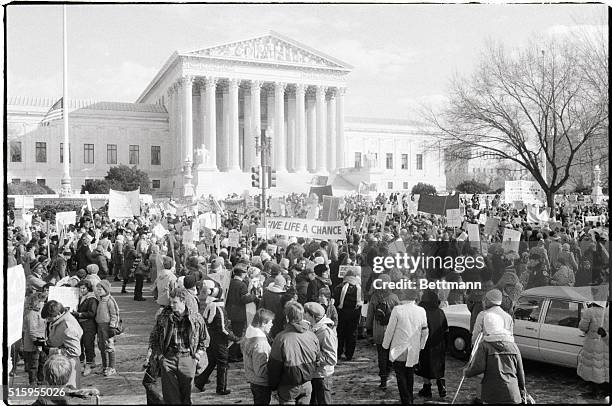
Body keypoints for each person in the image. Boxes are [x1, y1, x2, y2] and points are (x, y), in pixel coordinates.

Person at [150, 287, 207, 404]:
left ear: (183, 301)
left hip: (187, 358)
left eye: (175, 302)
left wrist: (197, 355)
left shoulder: (196, 318)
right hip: (168, 359)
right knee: (171, 398)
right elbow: (154, 338)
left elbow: (204, 339)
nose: (171, 305)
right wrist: (160, 357)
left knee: (188, 396)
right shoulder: (164, 317)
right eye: (170, 302)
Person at [464, 312, 526, 404]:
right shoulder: (513, 346)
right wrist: (522, 389)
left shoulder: (484, 346)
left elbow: (478, 368)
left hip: (492, 394)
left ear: (487, 327)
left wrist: (466, 372)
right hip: (512, 394)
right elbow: (520, 372)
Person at [382, 287, 429, 405]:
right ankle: (409, 399)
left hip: (399, 348)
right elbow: (425, 331)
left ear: (404, 296)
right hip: (413, 348)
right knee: (409, 374)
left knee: (400, 375)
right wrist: (421, 346)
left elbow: (390, 330)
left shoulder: (398, 310)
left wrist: (385, 346)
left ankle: (406, 399)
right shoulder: (421, 310)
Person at [268, 301, 320, 405]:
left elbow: (274, 367)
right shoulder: (312, 336)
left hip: (287, 388)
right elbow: (317, 361)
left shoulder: (281, 338)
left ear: (287, 318)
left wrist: (273, 387)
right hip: (307, 384)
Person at [194, 280, 239, 395]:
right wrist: (234, 338)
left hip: (210, 339)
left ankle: (199, 382)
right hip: (219, 341)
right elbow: (223, 328)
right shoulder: (218, 308)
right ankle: (221, 388)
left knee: (213, 362)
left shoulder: (210, 306)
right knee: (223, 363)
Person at [366, 274, 400, 389]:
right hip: (392, 330)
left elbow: (370, 314)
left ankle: (383, 379)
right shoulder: (394, 297)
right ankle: (389, 372)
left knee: (381, 354)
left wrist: (368, 328)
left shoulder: (374, 297)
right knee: (390, 354)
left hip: (378, 330)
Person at [41, 300, 83, 388]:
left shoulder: (68, 326)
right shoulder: (59, 319)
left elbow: (75, 351)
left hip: (67, 365)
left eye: (49, 317)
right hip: (60, 363)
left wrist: (51, 351)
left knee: (67, 395)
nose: (47, 320)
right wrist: (46, 343)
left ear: (59, 313)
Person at [415, 289, 448, 399]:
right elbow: (445, 329)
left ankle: (427, 388)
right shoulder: (440, 312)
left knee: (425, 367)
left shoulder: (422, 312)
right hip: (439, 344)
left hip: (426, 344)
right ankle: (441, 385)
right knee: (439, 365)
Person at [304, 302, 337, 405]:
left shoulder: (325, 333)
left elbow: (332, 359)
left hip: (322, 377)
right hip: (314, 375)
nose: (303, 315)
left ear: (312, 316)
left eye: (306, 313)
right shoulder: (313, 328)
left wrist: (315, 359)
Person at [241, 308, 275, 405]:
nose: (272, 325)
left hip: (253, 380)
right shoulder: (260, 343)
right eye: (270, 322)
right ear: (263, 323)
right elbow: (261, 370)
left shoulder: (250, 335)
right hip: (261, 383)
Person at [226, 266, 258, 361]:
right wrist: (253, 297)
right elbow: (244, 299)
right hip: (239, 313)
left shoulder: (230, 282)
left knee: (233, 333)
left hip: (230, 311)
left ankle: (234, 353)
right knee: (238, 334)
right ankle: (233, 355)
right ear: (242, 274)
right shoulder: (242, 285)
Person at [577, 301, 608, 398]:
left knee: (593, 368)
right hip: (605, 343)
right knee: (603, 367)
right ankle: (605, 392)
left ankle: (595, 392)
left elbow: (582, 327)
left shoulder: (589, 311)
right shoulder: (607, 311)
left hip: (592, 344)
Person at [333, 269, 362, 361]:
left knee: (340, 334)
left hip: (341, 313)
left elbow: (336, 301)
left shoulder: (339, 287)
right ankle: (349, 354)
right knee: (352, 335)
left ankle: (338, 352)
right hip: (354, 314)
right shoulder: (359, 288)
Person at [73, 279, 98, 377]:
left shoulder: (92, 299)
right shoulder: (80, 297)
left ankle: (89, 364)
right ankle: (81, 363)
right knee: (80, 343)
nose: (82, 290)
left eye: (84, 288)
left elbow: (92, 313)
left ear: (88, 288)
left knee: (88, 344)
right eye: (80, 289)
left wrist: (79, 314)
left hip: (89, 325)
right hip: (80, 325)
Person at [95, 279, 119, 377]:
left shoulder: (110, 300)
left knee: (109, 346)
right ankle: (104, 366)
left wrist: (113, 326)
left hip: (107, 327)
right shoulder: (100, 299)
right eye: (97, 289)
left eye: (100, 289)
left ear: (106, 290)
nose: (98, 291)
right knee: (101, 346)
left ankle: (112, 367)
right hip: (100, 326)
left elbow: (115, 314)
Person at [22, 292, 47, 386]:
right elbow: (32, 330)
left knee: (42, 362)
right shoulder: (31, 314)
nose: (43, 304)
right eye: (41, 302)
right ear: (36, 302)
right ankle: (32, 382)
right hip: (34, 343)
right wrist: (38, 344)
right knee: (34, 364)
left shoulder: (39, 312)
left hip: (41, 341)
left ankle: (41, 380)